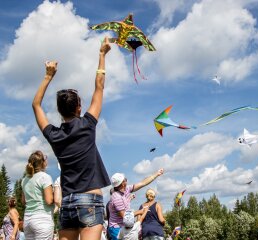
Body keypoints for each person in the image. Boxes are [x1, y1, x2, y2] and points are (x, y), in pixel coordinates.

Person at [32, 37, 111, 240]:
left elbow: (36, 105)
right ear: (79, 107)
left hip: (67, 201)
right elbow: (99, 86)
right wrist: (101, 54)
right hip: (90, 200)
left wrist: (48, 76)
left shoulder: (54, 134)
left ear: (59, 110)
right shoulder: (87, 124)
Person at [108, 169, 164, 240]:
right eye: (125, 179)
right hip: (116, 228)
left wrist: (156, 174)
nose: (126, 181)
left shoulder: (126, 189)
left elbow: (142, 183)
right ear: (122, 183)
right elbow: (125, 216)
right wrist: (141, 211)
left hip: (124, 226)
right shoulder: (116, 197)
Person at [21, 151, 54, 240]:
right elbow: (49, 201)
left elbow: (23, 202)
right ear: (42, 162)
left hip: (28, 220)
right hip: (42, 219)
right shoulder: (45, 177)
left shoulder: (24, 180)